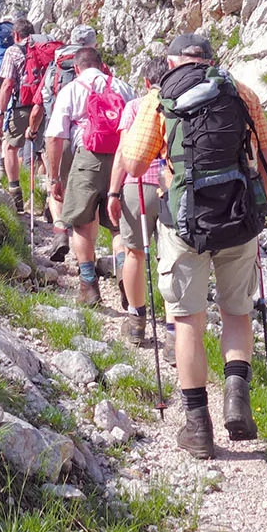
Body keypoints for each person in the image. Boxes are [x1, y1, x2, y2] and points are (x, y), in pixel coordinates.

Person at [121, 31, 267, 460]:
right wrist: (256, 208)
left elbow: (134, 163)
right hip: (239, 220)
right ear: (209, 61)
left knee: (187, 319)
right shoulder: (241, 92)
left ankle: (198, 427)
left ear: (173, 63)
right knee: (237, 311)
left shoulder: (161, 98)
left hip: (184, 224)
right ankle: (235, 397)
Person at [44, 46, 132, 305]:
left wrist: (54, 177)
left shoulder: (71, 89)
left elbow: (55, 136)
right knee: (118, 226)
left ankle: (89, 287)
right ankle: (126, 280)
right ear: (103, 66)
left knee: (83, 224)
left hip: (87, 158)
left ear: (78, 68)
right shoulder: (123, 87)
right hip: (121, 159)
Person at [106, 53, 169, 347]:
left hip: (138, 184)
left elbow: (123, 152)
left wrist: (113, 192)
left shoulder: (134, 107)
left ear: (146, 82)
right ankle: (174, 335)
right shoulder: (178, 105)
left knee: (134, 253)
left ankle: (136, 322)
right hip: (171, 185)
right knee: (172, 258)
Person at [34, 23, 99, 261]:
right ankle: (89, 258)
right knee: (89, 198)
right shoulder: (99, 68)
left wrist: (34, 127)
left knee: (57, 188)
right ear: (93, 44)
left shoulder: (56, 64)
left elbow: (41, 98)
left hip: (59, 137)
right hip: (93, 141)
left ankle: (60, 231)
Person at [0, 15, 35, 212]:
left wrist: (0, 115)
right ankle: (52, 199)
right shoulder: (44, 49)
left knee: (10, 147)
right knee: (46, 150)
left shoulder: (12, 51)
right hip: (47, 107)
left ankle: (15, 194)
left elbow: (8, 84)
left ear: (15, 35)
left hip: (23, 107)